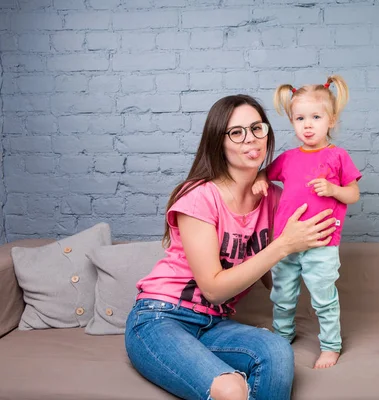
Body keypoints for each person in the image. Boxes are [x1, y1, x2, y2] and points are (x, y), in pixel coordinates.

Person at [124, 94, 337, 400]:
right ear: (218, 142)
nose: (251, 139)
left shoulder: (274, 198)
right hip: (160, 318)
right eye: (237, 132)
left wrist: (312, 249)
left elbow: (269, 274)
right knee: (230, 387)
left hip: (214, 325)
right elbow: (213, 289)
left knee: (277, 350)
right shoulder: (199, 197)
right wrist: (284, 245)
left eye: (257, 128)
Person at [252, 75, 362, 369]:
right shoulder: (288, 158)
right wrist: (261, 182)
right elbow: (264, 173)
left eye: (315, 116)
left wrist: (334, 190)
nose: (308, 124)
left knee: (323, 297)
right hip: (285, 242)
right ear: (292, 121)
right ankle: (282, 334)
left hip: (322, 243)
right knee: (283, 294)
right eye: (300, 118)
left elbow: (353, 193)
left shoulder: (337, 156)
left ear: (332, 119)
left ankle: (331, 345)